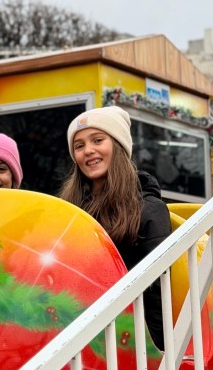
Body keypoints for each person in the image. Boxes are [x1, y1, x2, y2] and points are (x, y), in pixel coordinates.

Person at [60, 106, 171, 349]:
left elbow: (157, 297)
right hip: (76, 338)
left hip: (129, 344)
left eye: (98, 140)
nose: (88, 150)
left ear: (119, 146)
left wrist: (155, 354)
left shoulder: (150, 210)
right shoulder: (67, 210)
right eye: (79, 146)